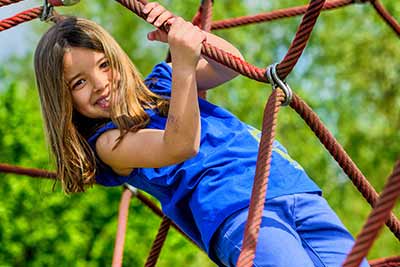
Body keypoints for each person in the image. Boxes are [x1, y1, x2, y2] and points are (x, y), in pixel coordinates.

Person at [33, 2, 369, 267]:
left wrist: (186, 34)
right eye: (79, 83)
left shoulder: (161, 85)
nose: (100, 84)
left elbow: (229, 63)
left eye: (104, 65)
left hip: (294, 188)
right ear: (63, 100)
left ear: (117, 59)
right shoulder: (109, 143)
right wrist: (182, 66)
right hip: (238, 213)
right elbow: (180, 145)